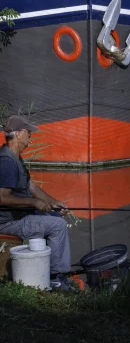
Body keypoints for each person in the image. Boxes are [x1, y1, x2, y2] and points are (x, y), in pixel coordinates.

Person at [0, 115, 71, 281]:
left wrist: (52, 203)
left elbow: (30, 186)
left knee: (54, 216)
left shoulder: (15, 157)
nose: (30, 135)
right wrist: (33, 202)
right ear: (18, 134)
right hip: (8, 223)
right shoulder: (6, 161)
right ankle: (57, 278)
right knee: (58, 225)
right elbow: (2, 198)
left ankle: (47, 269)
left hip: (20, 216)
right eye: (28, 132)